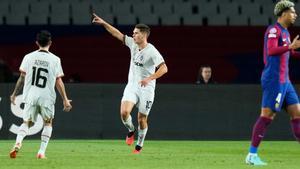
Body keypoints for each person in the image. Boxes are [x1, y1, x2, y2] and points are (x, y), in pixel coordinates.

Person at [92, 13, 168, 154]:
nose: (133, 35)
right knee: (124, 112)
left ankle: (139, 145)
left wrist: (150, 78)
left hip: (147, 88)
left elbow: (164, 68)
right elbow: (117, 34)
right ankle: (131, 130)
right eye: (133, 33)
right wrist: (103, 23)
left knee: (142, 118)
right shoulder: (132, 44)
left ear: (144, 35)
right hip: (132, 85)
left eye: (136, 33)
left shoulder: (152, 51)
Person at [245, 0, 300, 165]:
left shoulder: (286, 32)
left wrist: (293, 50)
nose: (295, 14)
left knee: (297, 113)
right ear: (283, 13)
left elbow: (287, 54)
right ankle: (251, 155)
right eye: (292, 12)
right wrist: (290, 46)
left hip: (286, 81)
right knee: (267, 115)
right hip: (274, 80)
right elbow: (272, 50)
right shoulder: (273, 30)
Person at [9, 30, 72, 159]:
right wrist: (65, 99)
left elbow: (22, 77)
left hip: (31, 96)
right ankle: (41, 152)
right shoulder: (55, 59)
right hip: (46, 97)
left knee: (26, 123)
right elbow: (58, 81)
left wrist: (14, 93)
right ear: (50, 43)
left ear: (37, 42)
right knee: (48, 123)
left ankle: (17, 143)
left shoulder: (28, 57)